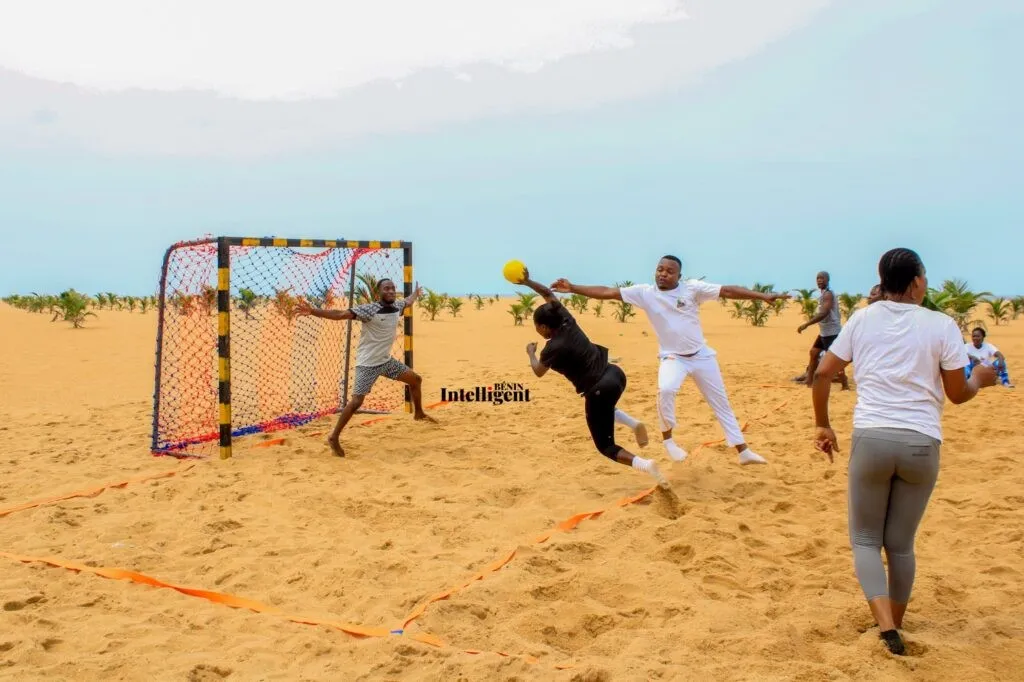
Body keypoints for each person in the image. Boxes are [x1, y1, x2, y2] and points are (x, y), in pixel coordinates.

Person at [811, 248, 998, 656]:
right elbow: (956, 394)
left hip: (872, 438)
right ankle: (896, 622)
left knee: (864, 539)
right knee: (900, 544)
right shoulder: (942, 325)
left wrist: (823, 424)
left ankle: (883, 625)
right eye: (925, 277)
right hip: (921, 444)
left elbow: (824, 373)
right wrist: (980, 379)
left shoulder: (862, 318)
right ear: (916, 282)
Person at [552, 255, 789, 466]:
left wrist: (762, 296)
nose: (663, 274)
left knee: (721, 403)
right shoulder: (645, 293)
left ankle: (743, 451)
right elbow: (608, 293)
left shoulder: (692, 289)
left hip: (702, 356)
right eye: (659, 269)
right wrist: (572, 287)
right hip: (673, 357)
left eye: (669, 271)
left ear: (679, 276)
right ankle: (669, 442)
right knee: (666, 390)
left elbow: (728, 291)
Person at [516, 268, 669, 487]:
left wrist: (531, 353)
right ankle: (634, 424)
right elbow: (548, 296)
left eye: (537, 328)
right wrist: (528, 281)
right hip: (616, 374)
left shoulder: (550, 349)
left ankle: (646, 465)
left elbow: (539, 371)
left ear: (542, 327)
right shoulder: (567, 321)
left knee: (605, 447)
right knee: (604, 409)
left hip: (599, 389)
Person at [296, 279, 435, 457]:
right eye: (387, 289)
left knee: (416, 380)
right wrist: (313, 311)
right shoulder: (369, 309)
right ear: (379, 293)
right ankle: (334, 437)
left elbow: (407, 301)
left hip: (385, 362)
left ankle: (419, 414)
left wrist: (415, 294)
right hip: (367, 364)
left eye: (393, 288)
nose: (391, 291)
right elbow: (340, 314)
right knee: (356, 402)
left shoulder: (397, 306)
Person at [797, 271, 849, 390]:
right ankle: (809, 381)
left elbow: (824, 313)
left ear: (828, 280)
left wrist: (807, 324)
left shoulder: (828, 295)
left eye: (822, 278)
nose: (819, 280)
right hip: (824, 332)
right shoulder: (822, 294)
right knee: (814, 353)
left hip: (832, 332)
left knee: (836, 359)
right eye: (818, 278)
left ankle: (845, 384)